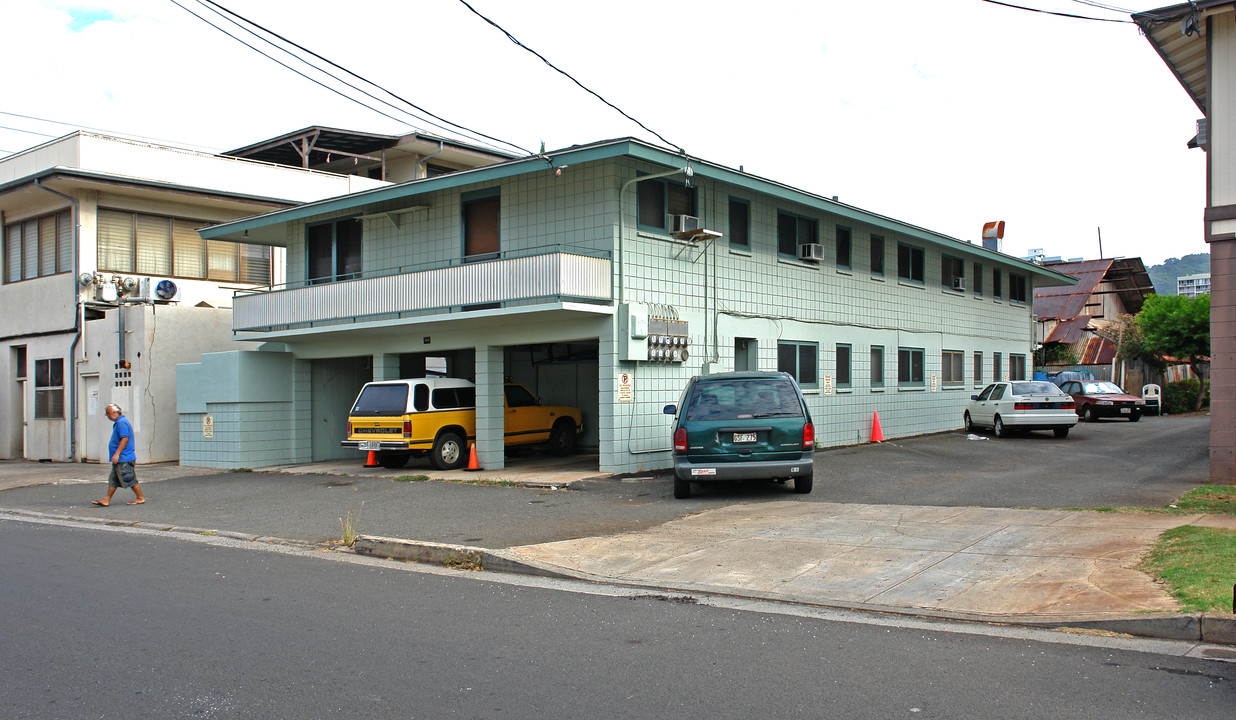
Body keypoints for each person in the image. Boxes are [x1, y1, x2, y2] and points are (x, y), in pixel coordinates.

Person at [91, 403, 145, 506]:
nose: (108, 416)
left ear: (116, 412)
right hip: (121, 458)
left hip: (124, 457)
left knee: (129, 478)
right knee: (114, 479)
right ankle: (106, 499)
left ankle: (140, 497)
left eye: (109, 413)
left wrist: (116, 454)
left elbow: (124, 438)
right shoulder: (119, 422)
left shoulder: (121, 423)